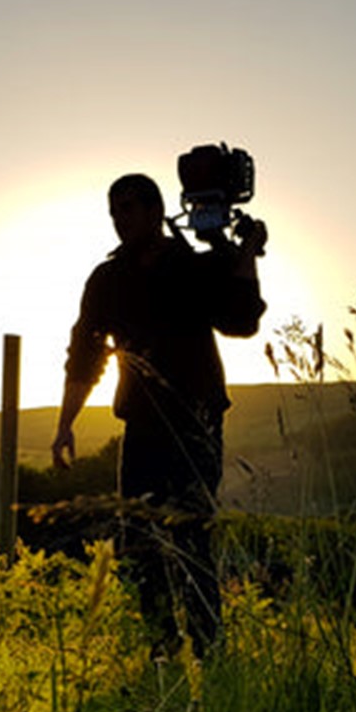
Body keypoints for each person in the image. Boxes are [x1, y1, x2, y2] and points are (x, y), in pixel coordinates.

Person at [51, 173, 267, 660]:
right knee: (140, 540)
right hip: (142, 425)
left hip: (197, 420)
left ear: (156, 210)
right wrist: (66, 424)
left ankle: (209, 653)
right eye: (114, 210)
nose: (120, 219)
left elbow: (242, 320)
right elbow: (85, 354)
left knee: (192, 535)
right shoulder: (106, 280)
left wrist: (245, 253)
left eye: (129, 208)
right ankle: (161, 651)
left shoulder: (193, 266)